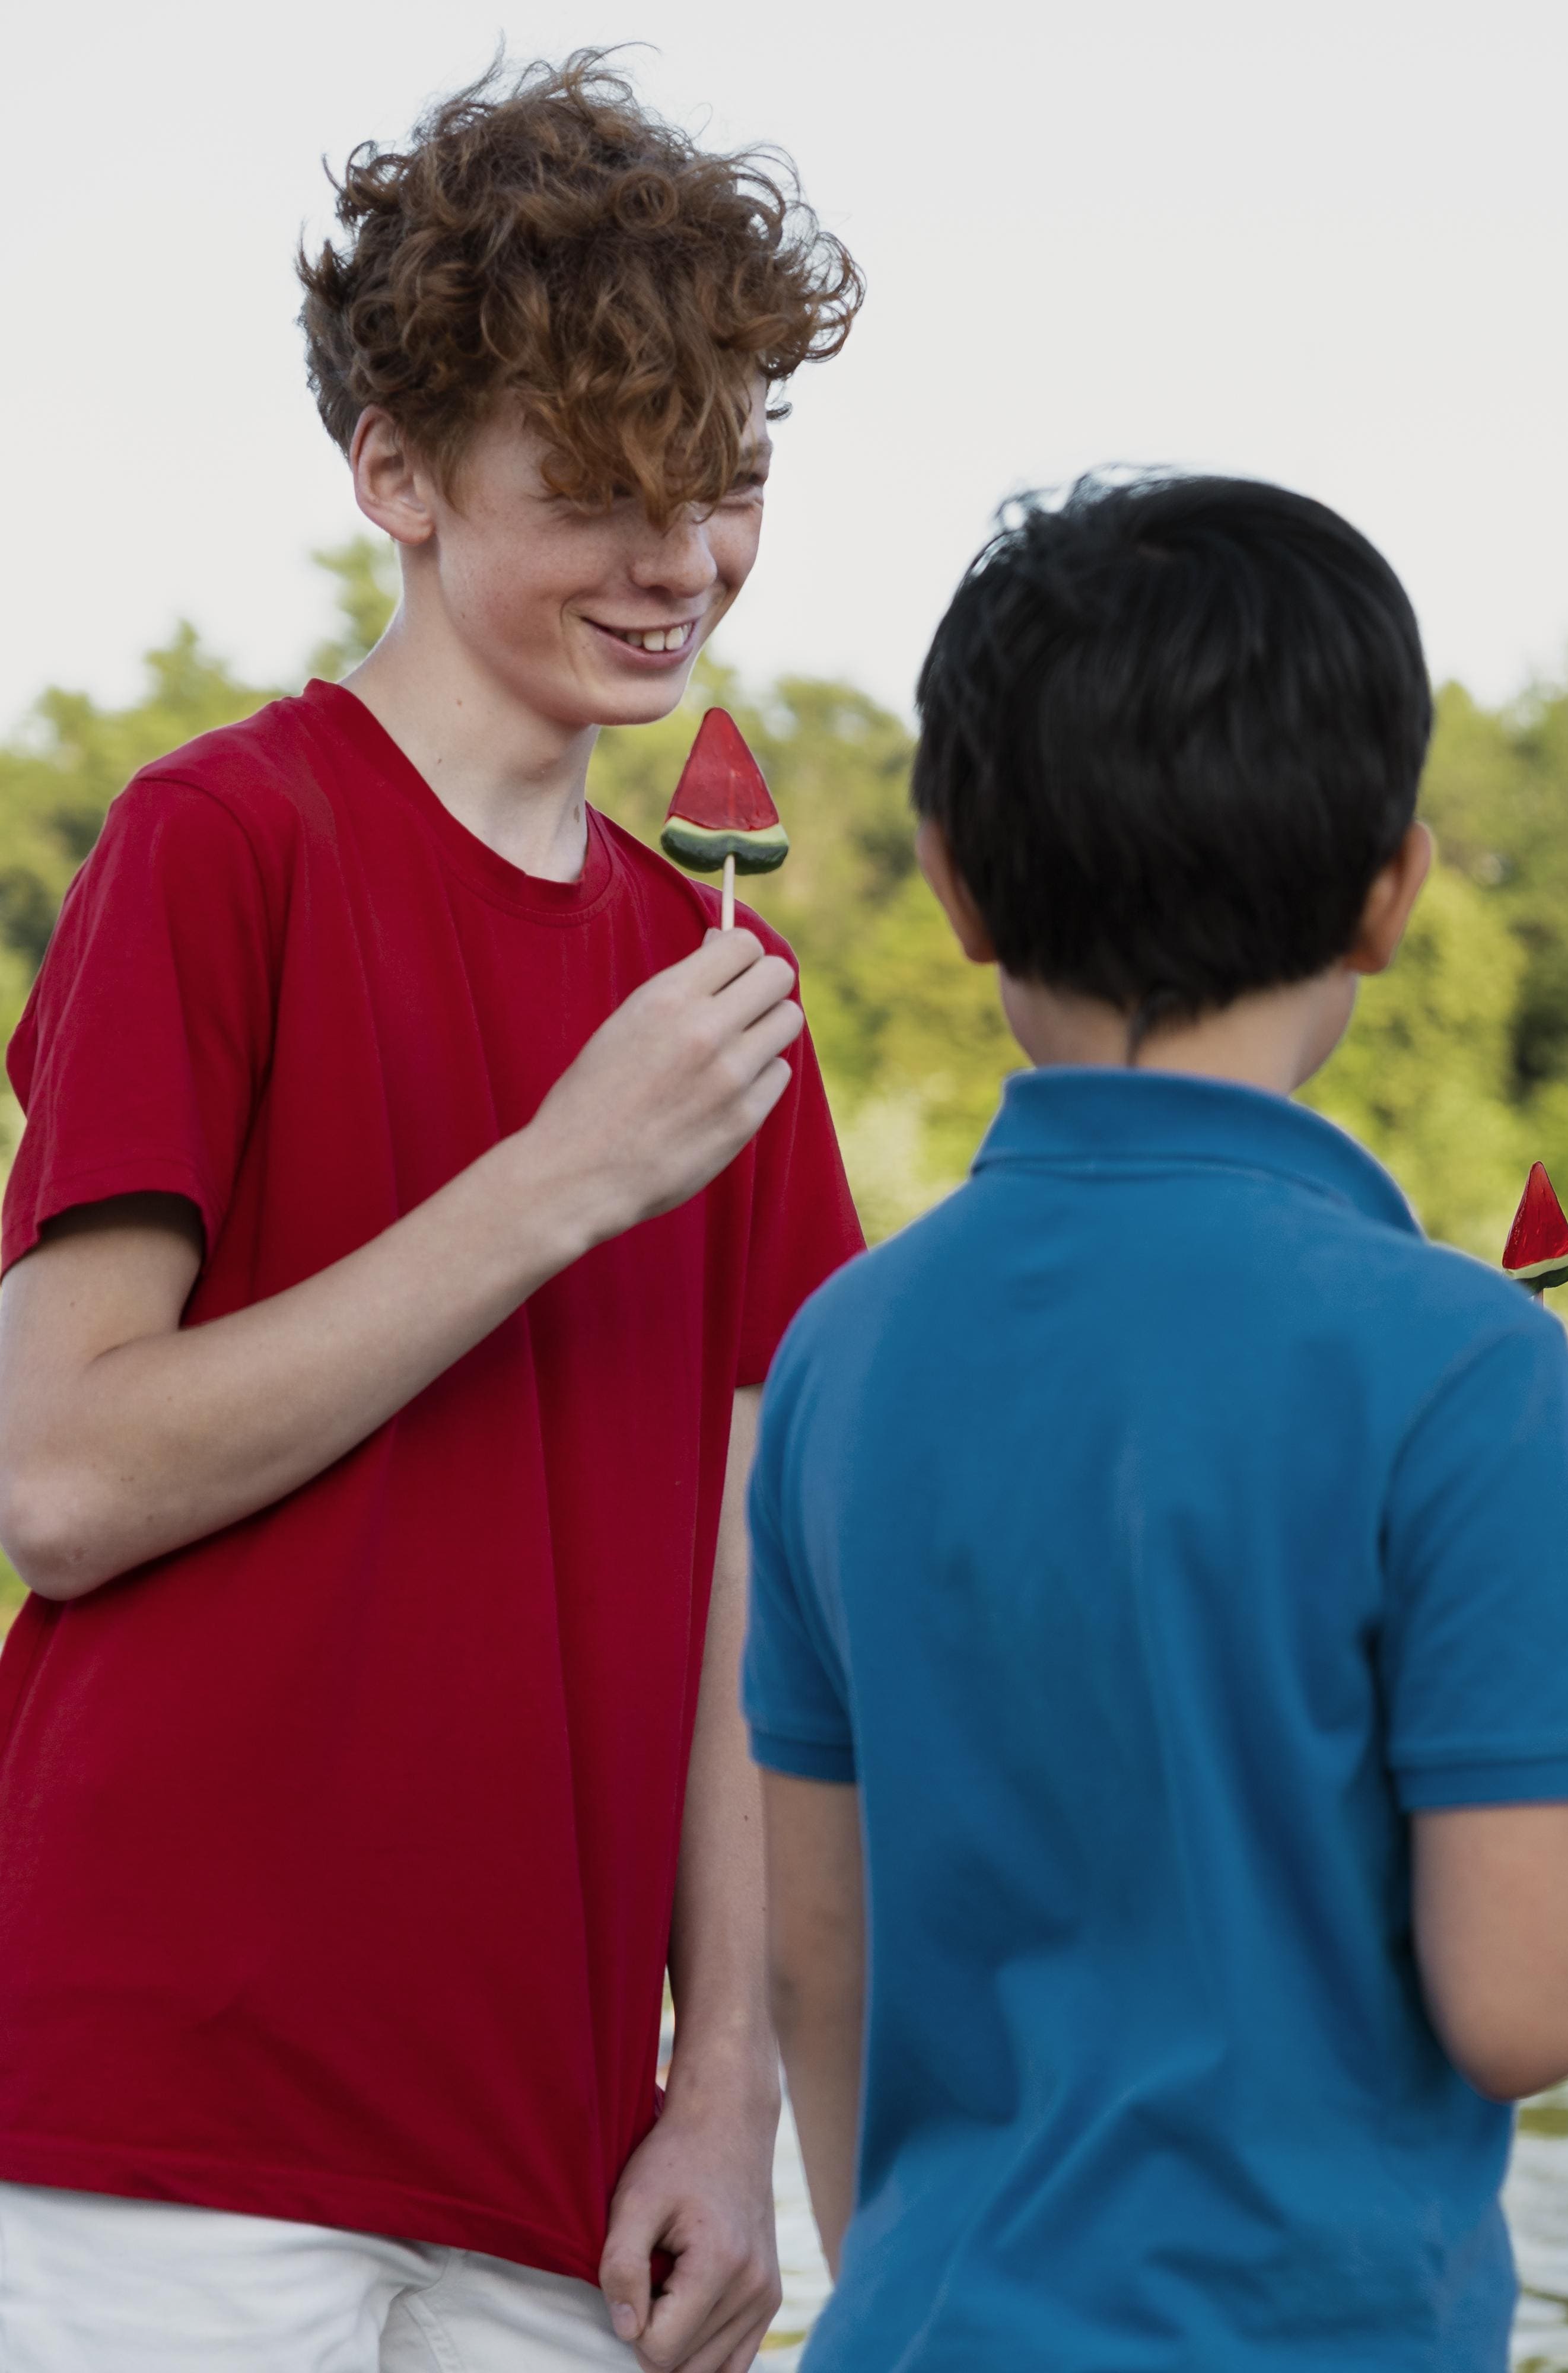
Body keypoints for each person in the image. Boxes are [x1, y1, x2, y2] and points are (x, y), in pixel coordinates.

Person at [0, 53, 863, 2373]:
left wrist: (726, 2092)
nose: (678, 561)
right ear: (392, 470)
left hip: (558, 2167)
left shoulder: (727, 992)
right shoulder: (220, 844)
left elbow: (752, 1592)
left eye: (725, 479)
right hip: (156, 2115)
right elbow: (59, 1476)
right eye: (599, 487)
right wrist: (562, 1178)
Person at [748, 471, 1568, 2367]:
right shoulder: (1462, 1362)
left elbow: (815, 1962)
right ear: (1391, 891)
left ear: (954, 879)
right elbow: (1529, 2005)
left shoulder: (839, 1351)